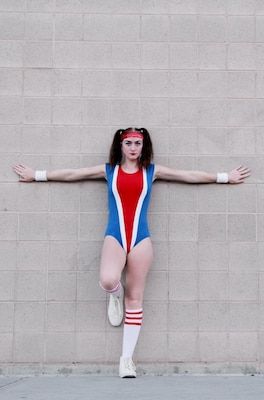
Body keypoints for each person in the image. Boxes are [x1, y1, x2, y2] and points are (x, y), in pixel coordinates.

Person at [13, 127, 251, 378]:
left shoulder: (152, 171)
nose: (134, 148)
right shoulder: (109, 171)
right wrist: (36, 174)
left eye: (138, 143)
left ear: (144, 146)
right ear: (121, 146)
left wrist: (225, 177)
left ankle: (126, 359)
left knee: (136, 299)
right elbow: (72, 173)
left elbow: (188, 175)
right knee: (108, 280)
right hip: (115, 237)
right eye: (129, 143)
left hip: (141, 240)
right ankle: (115, 296)